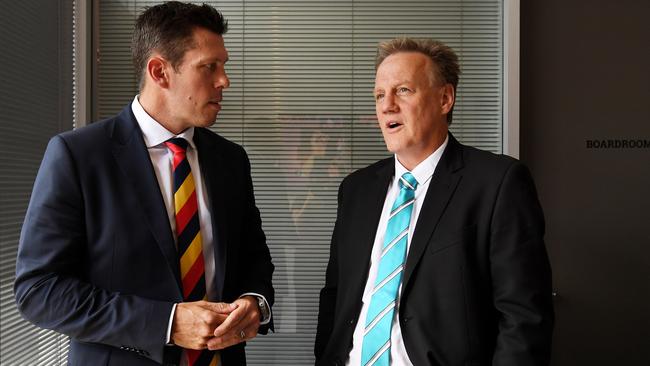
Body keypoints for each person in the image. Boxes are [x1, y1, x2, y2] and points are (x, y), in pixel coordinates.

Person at [14, 2, 273, 365]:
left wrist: (254, 303)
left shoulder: (230, 160)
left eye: (224, 65)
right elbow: (38, 290)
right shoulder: (79, 156)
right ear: (160, 72)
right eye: (209, 67)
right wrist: (167, 323)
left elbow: (254, 260)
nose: (224, 80)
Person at [315, 38, 553, 366]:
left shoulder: (497, 183)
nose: (386, 106)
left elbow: (524, 316)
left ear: (445, 98)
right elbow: (335, 299)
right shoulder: (356, 190)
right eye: (379, 95)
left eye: (403, 91)